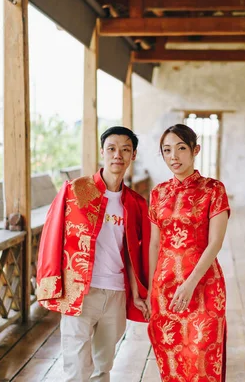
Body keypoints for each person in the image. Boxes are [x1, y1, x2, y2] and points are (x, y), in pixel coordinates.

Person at [36, 126, 151, 382]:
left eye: (125, 149)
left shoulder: (136, 203)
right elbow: (51, 236)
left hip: (116, 294)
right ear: (102, 152)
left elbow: (133, 253)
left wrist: (136, 292)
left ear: (133, 155)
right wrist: (51, 284)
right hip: (80, 294)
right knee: (76, 370)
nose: (117, 155)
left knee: (103, 367)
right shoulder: (75, 191)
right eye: (111, 148)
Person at [147, 124, 230, 381]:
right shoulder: (158, 193)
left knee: (202, 357)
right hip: (166, 290)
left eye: (181, 148)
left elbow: (215, 242)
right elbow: (154, 244)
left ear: (196, 150)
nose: (174, 156)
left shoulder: (213, 189)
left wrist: (190, 283)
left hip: (204, 284)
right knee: (171, 360)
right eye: (167, 150)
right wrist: (151, 288)